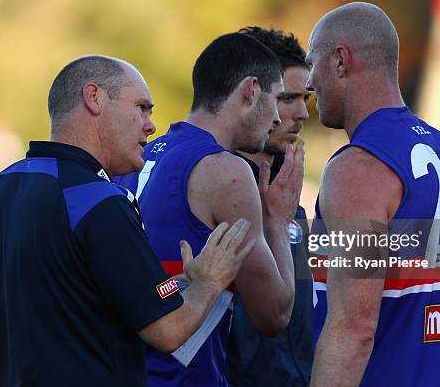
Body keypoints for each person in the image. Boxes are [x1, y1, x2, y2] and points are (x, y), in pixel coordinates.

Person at [0, 55, 256, 387]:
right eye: (141, 108)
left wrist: (175, 287)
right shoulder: (97, 200)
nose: (150, 125)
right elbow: (169, 328)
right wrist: (208, 281)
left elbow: (64, 299)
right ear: (94, 98)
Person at [305, 3, 440, 386]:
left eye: (312, 63)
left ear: (340, 61)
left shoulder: (358, 169)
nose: (310, 83)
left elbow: (354, 330)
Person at [115, 33, 304, 386]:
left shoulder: (137, 158)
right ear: (250, 90)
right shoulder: (225, 171)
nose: (278, 118)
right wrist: (278, 221)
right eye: (278, 99)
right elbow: (274, 314)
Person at [225, 26, 313, 387]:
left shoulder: (289, 194)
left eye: (307, 98)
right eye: (288, 98)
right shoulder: (215, 187)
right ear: (252, 94)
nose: (303, 113)